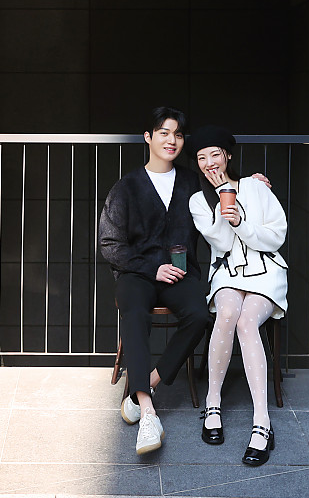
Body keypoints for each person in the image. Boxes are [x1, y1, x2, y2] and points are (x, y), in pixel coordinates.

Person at [98, 106, 210, 455]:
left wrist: (252, 185)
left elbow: (225, 188)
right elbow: (109, 244)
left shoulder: (192, 182)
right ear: (148, 137)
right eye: (164, 132)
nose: (171, 140)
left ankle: (145, 385)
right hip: (137, 273)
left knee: (200, 315)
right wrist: (151, 267)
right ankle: (147, 411)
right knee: (134, 312)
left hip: (180, 273)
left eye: (178, 134)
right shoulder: (127, 187)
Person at [188, 125, 288, 467]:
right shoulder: (198, 201)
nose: (209, 162)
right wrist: (222, 198)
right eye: (201, 157)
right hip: (228, 272)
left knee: (247, 323)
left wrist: (241, 220)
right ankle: (212, 402)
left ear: (228, 155)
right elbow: (222, 242)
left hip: (266, 272)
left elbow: (275, 237)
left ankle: (262, 422)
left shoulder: (256, 187)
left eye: (215, 154)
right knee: (228, 312)